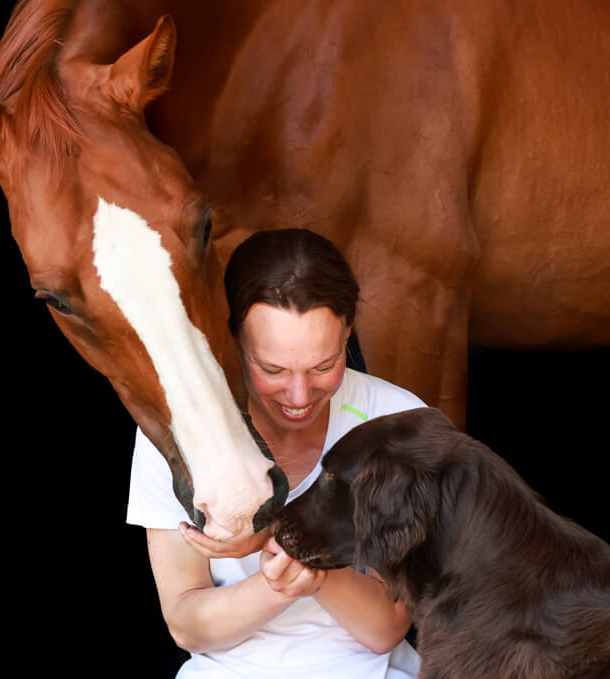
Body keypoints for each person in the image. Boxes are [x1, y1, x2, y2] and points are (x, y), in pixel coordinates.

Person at [127, 228, 424, 678]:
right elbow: (187, 625)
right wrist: (280, 584)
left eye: (324, 366)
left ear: (349, 332)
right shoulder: (178, 431)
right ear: (233, 341)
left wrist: (275, 537)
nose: (300, 395)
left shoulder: (399, 421)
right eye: (272, 369)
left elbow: (386, 626)